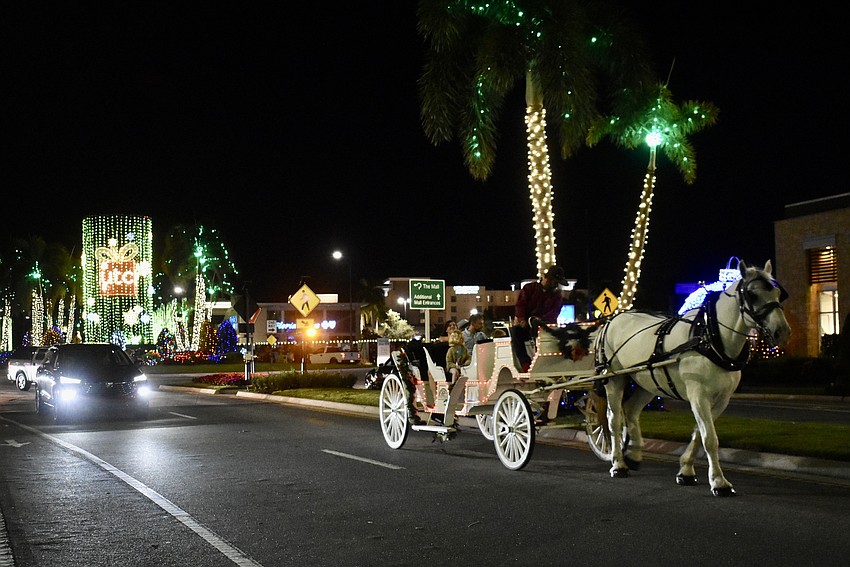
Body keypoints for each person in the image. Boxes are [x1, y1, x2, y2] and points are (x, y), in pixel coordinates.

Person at [512, 265, 569, 371]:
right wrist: (522, 320)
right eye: (554, 281)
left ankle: (555, 363)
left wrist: (540, 321)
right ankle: (525, 363)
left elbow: (554, 313)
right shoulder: (529, 288)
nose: (556, 285)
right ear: (547, 278)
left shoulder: (557, 296)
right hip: (527, 326)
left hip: (545, 327)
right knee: (516, 332)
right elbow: (520, 305)